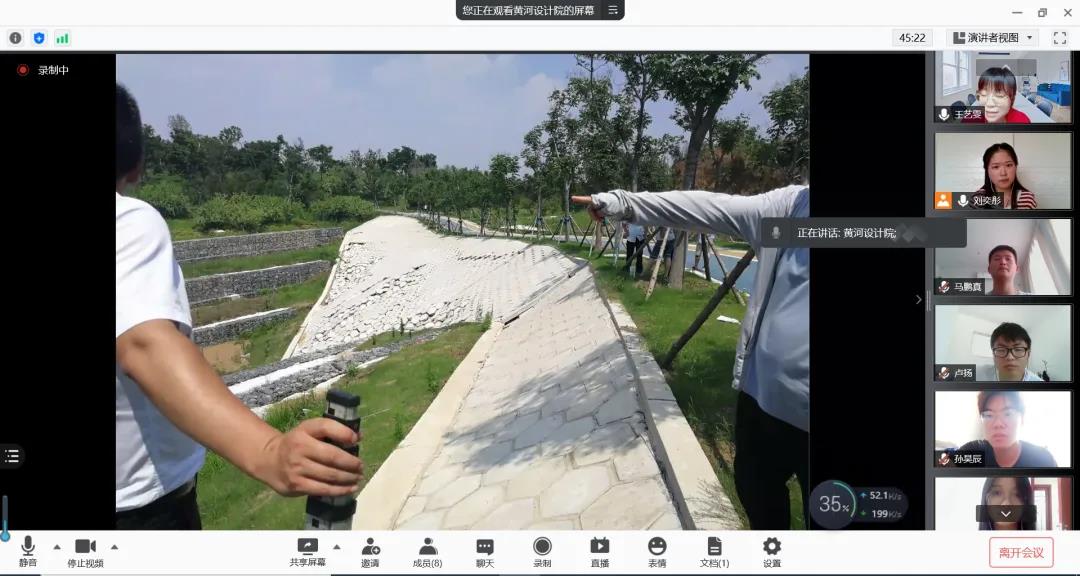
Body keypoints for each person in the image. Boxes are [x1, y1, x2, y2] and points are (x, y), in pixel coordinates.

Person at [115, 83, 363, 529]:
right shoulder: (128, 220)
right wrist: (268, 451)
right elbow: (144, 343)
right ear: (136, 166)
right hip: (140, 513)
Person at [572, 184, 810, 530]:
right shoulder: (793, 207)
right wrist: (623, 203)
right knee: (757, 495)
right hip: (762, 403)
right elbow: (704, 206)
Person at [956, 391, 1057, 468]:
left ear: (1022, 419)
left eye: (1008, 414)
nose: (998, 424)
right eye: (989, 415)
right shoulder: (970, 452)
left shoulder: (1042, 460)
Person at [972, 143, 1037, 210]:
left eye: (1008, 165)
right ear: (987, 170)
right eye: (996, 167)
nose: (1003, 173)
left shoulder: (1027, 199)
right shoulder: (977, 198)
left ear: (1016, 167)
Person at [976, 322, 1044, 382]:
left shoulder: (1041, 387)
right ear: (993, 354)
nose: (1010, 357)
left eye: (1018, 349)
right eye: (1001, 350)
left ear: (1028, 354)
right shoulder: (977, 373)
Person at [963, 67, 1031, 124]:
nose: (990, 104)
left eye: (999, 96)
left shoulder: (1022, 121)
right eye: (984, 94)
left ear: (1012, 98)